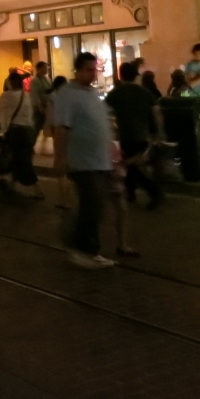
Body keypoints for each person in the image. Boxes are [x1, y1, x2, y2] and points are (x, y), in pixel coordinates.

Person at [53, 52, 115, 268]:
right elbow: (61, 128)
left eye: (94, 69)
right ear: (77, 70)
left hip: (100, 159)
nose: (93, 74)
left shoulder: (92, 93)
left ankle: (81, 245)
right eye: (88, 70)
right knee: (93, 204)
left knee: (96, 205)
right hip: (82, 161)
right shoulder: (67, 94)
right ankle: (85, 249)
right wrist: (60, 157)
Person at [106, 61, 163, 208]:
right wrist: (159, 132)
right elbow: (156, 111)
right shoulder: (144, 92)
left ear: (121, 75)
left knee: (132, 165)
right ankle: (130, 193)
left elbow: (104, 110)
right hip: (143, 134)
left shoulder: (116, 93)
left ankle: (154, 192)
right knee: (132, 165)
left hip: (126, 134)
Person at [0, 72, 43, 198]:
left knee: (23, 161)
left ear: (10, 83)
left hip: (17, 133)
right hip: (29, 131)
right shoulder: (26, 96)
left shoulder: (6, 96)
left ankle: (38, 190)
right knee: (17, 159)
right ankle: (12, 184)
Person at [29, 62, 53, 154]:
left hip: (47, 106)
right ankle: (30, 145)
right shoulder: (35, 81)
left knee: (46, 126)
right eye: (44, 67)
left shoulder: (47, 79)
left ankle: (43, 144)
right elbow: (35, 95)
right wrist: (40, 107)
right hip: (39, 108)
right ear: (39, 69)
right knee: (36, 127)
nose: (46, 69)